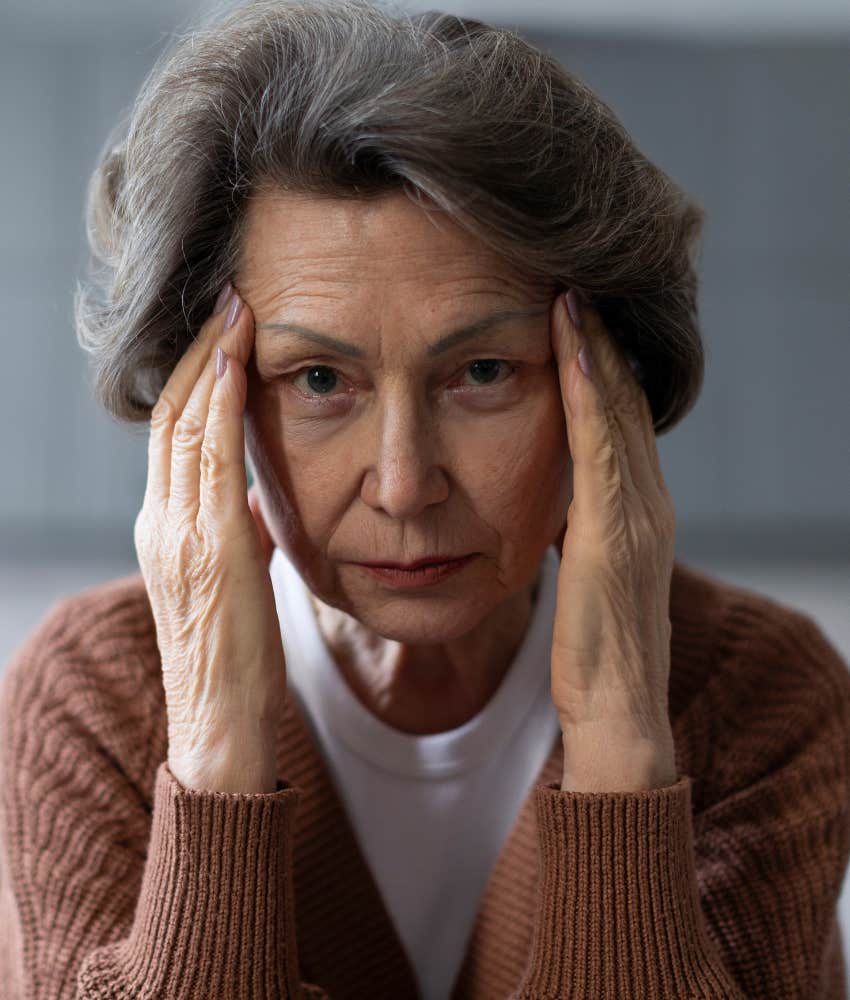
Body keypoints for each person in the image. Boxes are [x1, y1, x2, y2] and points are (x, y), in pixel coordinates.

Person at [1, 0, 848, 997]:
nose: (405, 486)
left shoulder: (756, 693)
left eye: (483, 372)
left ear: (608, 383)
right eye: (319, 380)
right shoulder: (94, 696)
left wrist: (622, 741)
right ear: (207, 408)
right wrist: (216, 759)